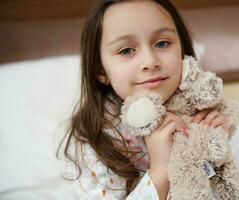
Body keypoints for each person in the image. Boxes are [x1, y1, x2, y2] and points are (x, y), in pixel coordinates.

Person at [60, 0, 227, 199]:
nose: (150, 62)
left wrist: (215, 146)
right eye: (126, 51)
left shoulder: (195, 104)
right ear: (100, 69)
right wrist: (159, 170)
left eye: (162, 43)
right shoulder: (93, 141)